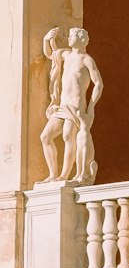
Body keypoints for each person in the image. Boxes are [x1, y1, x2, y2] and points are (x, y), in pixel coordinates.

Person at [40, 27, 104, 184]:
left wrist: (90, 107)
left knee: (68, 136)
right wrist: (47, 39)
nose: (69, 38)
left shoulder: (86, 59)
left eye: (72, 35)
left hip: (76, 106)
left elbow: (98, 84)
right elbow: (50, 54)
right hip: (62, 105)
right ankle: (52, 174)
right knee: (45, 136)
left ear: (81, 39)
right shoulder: (66, 54)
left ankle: (64, 175)